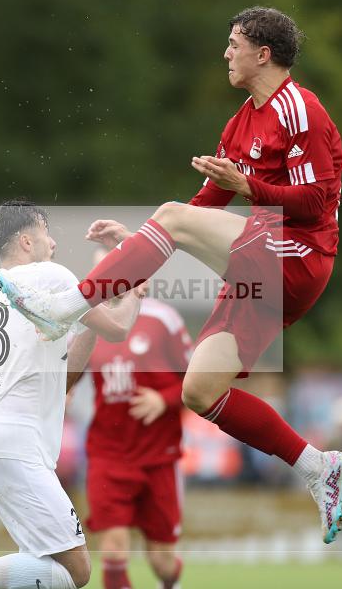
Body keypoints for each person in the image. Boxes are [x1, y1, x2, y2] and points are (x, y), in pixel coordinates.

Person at [0, 6, 342, 543]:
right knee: (199, 391)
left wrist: (242, 191)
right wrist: (141, 241)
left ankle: (65, 309)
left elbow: (315, 202)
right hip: (264, 262)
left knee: (170, 216)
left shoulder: (298, 109)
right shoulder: (241, 122)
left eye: (234, 44)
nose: (225, 53)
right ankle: (314, 466)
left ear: (263, 54)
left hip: (299, 255)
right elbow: (205, 203)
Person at [0, 201, 145, 589]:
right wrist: (135, 289)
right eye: (46, 234)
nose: (53, 244)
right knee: (77, 571)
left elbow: (65, 377)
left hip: (2, 444)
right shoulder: (45, 275)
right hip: (17, 446)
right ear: (25, 241)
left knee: (41, 567)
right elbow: (119, 329)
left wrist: (100, 304)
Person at [83, 250, 191, 589]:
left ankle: (171, 581)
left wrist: (165, 398)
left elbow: (199, 381)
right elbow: (65, 375)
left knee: (161, 560)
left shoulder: (163, 320)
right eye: (101, 267)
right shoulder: (86, 323)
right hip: (108, 455)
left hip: (158, 456)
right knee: (113, 549)